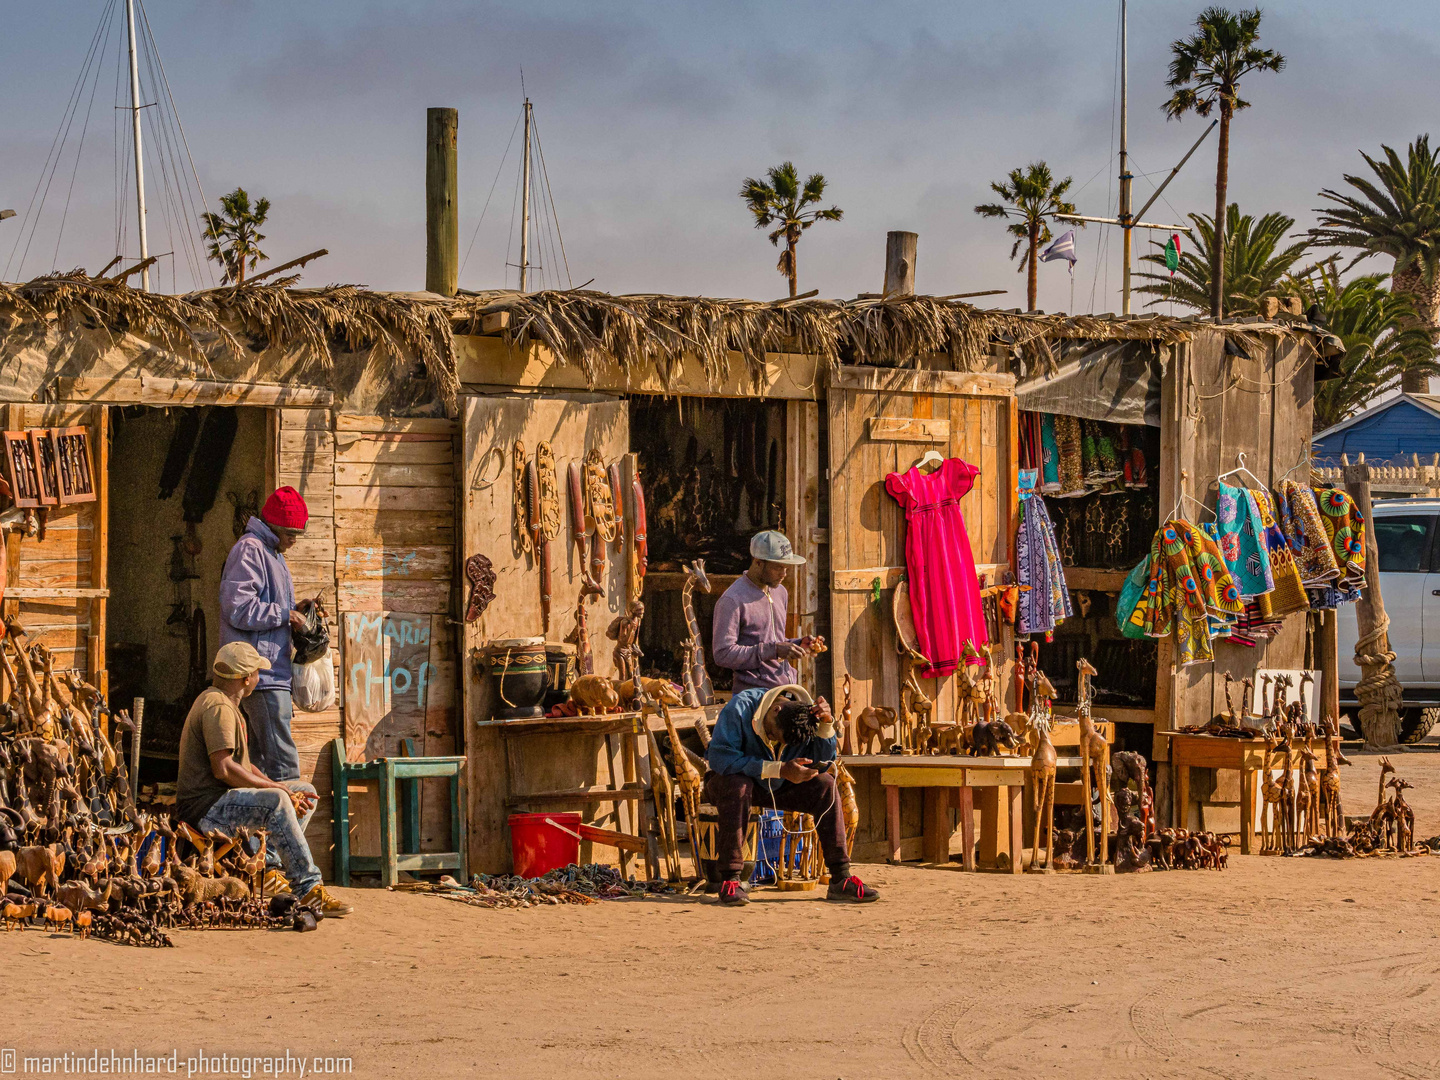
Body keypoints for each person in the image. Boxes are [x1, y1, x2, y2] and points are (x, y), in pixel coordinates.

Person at [174, 642, 352, 916]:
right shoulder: (217, 707)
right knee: (277, 801)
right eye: (257, 672)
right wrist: (278, 792)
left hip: (220, 802)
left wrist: (280, 786)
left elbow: (245, 766)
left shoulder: (227, 704)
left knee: (303, 791)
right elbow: (224, 769)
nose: (259, 677)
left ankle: (266, 869)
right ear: (247, 679)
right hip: (205, 811)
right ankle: (308, 888)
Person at [705, 683, 879, 906]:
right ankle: (731, 880)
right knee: (738, 785)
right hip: (730, 783)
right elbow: (720, 760)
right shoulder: (740, 708)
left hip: (781, 784)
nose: (774, 740)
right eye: (772, 734)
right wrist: (778, 769)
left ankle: (840, 878)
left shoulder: (806, 717)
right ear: (775, 710)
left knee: (825, 784)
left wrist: (826, 727)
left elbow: (826, 763)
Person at [220, 486, 309, 783]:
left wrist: (297, 609)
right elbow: (238, 607)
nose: (293, 540)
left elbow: (266, 606)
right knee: (285, 771)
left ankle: (259, 830)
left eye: (298, 533)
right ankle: (293, 828)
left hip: (271, 675)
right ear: (272, 525)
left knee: (257, 769)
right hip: (262, 677)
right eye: (289, 533)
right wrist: (285, 614)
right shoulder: (251, 550)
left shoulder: (273, 553)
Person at [712, 530, 824, 694]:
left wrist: (797, 644)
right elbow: (723, 654)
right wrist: (774, 650)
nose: (784, 574)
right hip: (754, 696)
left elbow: (772, 640)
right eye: (778, 567)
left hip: (786, 690)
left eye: (786, 567)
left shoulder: (780, 592)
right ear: (758, 562)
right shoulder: (732, 600)